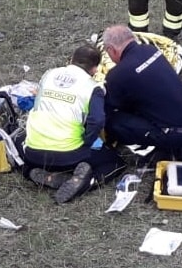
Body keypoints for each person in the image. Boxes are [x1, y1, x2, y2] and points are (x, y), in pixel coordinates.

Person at [22, 44, 125, 203]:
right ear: (94, 70)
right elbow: (97, 121)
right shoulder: (93, 87)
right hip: (67, 155)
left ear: (71, 60)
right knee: (116, 162)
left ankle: (33, 172)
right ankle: (86, 182)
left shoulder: (49, 74)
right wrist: (87, 142)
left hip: (33, 153)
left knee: (20, 144)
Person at [101, 25, 182, 162]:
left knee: (113, 122)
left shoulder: (118, 75)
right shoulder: (151, 50)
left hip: (177, 135)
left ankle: (162, 147)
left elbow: (107, 108)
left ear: (111, 50)